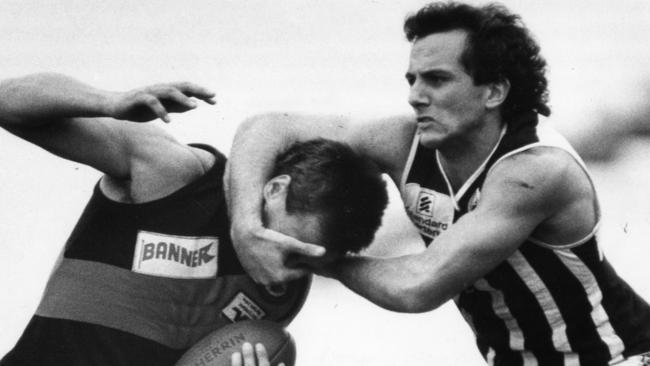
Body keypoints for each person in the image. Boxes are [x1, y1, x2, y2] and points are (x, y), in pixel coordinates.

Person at [226, 2, 650, 365]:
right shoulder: (405, 141)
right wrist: (246, 226)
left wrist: (307, 256)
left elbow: (417, 286)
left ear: (494, 92)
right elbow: (266, 128)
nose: (414, 95)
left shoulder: (535, 171)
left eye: (437, 79)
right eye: (412, 79)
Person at [0, 73, 388, 365]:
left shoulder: (281, 297)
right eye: (290, 252)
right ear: (274, 189)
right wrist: (108, 102)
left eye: (308, 265)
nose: (288, 275)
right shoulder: (175, 177)